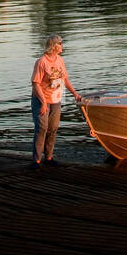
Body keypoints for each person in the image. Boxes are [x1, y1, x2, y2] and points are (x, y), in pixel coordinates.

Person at [30, 34, 83, 167]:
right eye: (60, 43)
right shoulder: (41, 62)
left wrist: (75, 94)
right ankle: (36, 160)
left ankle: (48, 158)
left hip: (56, 100)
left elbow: (64, 79)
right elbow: (35, 84)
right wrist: (42, 103)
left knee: (53, 129)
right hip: (41, 100)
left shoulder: (60, 60)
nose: (62, 46)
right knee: (42, 128)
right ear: (54, 46)